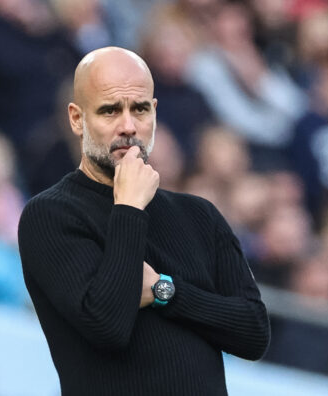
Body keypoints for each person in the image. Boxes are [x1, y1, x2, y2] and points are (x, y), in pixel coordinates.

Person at [17, 47, 270, 395]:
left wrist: (166, 291)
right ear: (77, 119)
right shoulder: (50, 215)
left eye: (139, 109)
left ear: (154, 111)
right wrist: (130, 208)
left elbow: (253, 332)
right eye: (110, 111)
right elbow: (107, 325)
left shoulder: (199, 215)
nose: (128, 126)